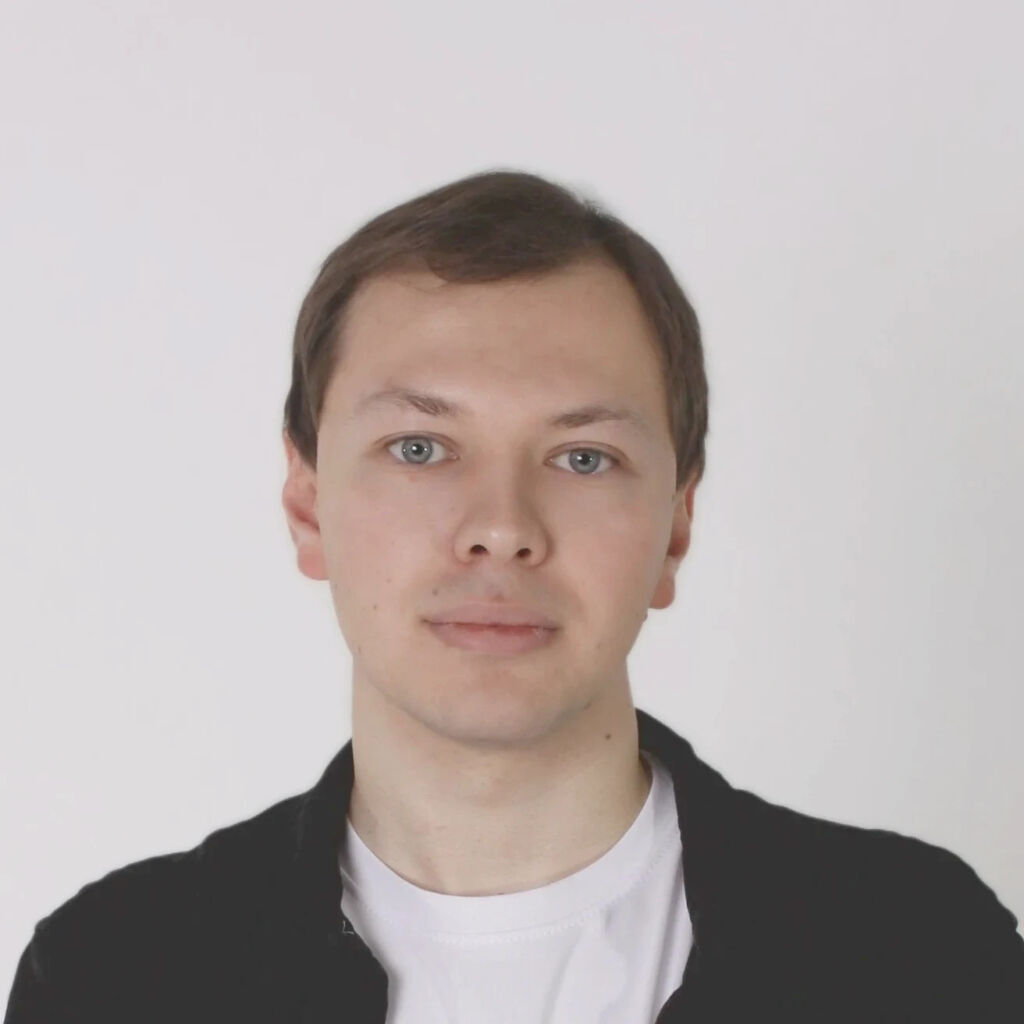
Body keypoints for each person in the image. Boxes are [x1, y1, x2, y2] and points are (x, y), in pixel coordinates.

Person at [5, 169, 1023, 1024]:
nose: (501, 525)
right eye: (419, 447)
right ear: (308, 507)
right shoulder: (114, 979)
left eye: (583, 456)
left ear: (675, 526)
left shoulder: (922, 956)